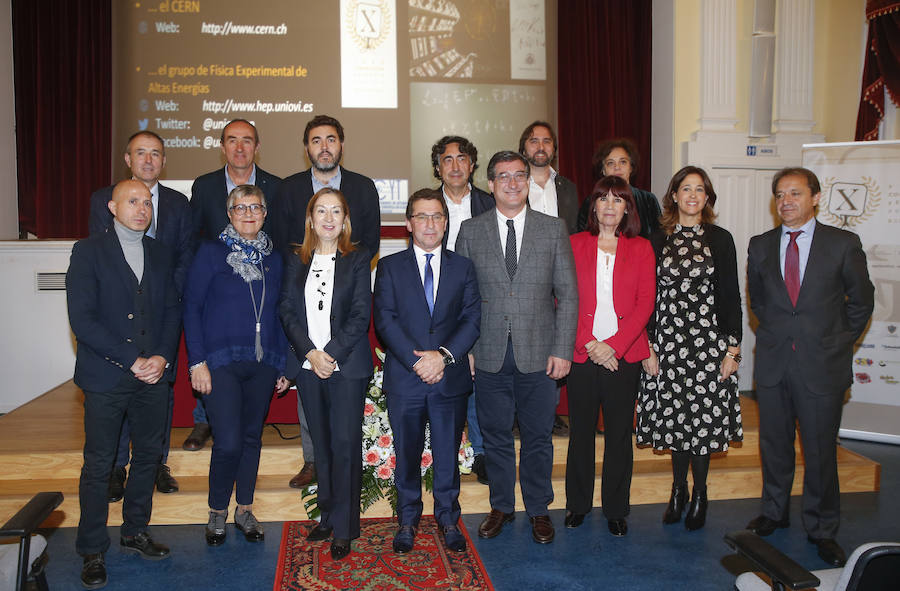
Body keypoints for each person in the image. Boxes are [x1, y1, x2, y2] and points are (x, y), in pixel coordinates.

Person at [745, 167, 874, 567]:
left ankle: (822, 528)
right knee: (775, 445)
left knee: (819, 452)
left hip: (822, 366)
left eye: (795, 193)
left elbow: (862, 301)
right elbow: (759, 302)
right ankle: (773, 511)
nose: (786, 201)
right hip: (774, 362)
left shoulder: (843, 244)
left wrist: (836, 342)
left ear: (815, 198)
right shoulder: (760, 244)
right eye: (780, 194)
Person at [455, 151, 577, 544]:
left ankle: (539, 509)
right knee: (495, 435)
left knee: (539, 436)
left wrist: (562, 348)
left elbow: (569, 294)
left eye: (519, 176)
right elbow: (462, 297)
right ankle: (502, 506)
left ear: (528, 181)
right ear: (489, 184)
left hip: (541, 353)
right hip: (488, 351)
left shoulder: (553, 228)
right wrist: (466, 348)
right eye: (503, 177)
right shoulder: (471, 231)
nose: (512, 183)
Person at [68, 180, 181, 589]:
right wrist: (132, 360)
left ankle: (135, 531)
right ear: (113, 207)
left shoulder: (161, 253)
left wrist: (163, 358)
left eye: (147, 202)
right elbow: (83, 320)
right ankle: (92, 549)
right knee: (99, 465)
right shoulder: (88, 251)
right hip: (106, 376)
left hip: (153, 377)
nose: (142, 208)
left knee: (148, 457)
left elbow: (172, 312)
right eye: (133, 201)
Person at [272, 114, 381, 488]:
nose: (324, 146)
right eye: (316, 140)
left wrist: (345, 279)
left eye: (331, 139)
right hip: (303, 295)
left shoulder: (363, 187)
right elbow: (284, 243)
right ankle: (313, 459)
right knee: (309, 381)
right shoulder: (288, 190)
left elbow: (372, 243)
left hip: (348, 294)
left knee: (340, 395)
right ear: (307, 148)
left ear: (341, 145)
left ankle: (340, 468)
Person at [636, 166, 743, 532]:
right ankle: (677, 491)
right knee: (676, 421)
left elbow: (731, 296)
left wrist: (733, 350)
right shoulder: (655, 239)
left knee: (702, 422)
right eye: (686, 188)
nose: (693, 195)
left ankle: (701, 494)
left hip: (708, 346)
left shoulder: (720, 239)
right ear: (674, 196)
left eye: (700, 189)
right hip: (666, 345)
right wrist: (646, 345)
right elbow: (646, 298)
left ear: (707, 197)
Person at [374, 189, 481, 555]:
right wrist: (418, 360)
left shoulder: (463, 267)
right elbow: (384, 320)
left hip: (449, 378)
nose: (430, 224)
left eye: (437, 216)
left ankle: (449, 518)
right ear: (408, 223)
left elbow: (471, 319)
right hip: (406, 378)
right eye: (421, 216)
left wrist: (444, 356)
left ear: (445, 222)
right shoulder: (389, 267)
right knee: (407, 453)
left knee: (448, 454)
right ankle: (407, 519)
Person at [183, 184, 290, 546]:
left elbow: (281, 313)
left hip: (262, 363)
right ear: (229, 214)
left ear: (264, 213)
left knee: (251, 439)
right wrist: (196, 361)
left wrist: (284, 366)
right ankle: (216, 511)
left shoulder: (275, 258)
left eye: (255, 207)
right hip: (219, 362)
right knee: (228, 442)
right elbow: (192, 308)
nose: (248, 213)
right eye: (240, 208)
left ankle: (244, 509)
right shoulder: (210, 252)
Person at [88, 130, 192, 500]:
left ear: (164, 162)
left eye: (156, 154)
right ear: (128, 159)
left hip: (163, 315)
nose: (148, 160)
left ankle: (156, 462)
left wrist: (167, 298)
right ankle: (117, 467)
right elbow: (100, 261)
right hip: (118, 324)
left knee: (158, 392)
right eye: (140, 153)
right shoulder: (103, 200)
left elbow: (183, 258)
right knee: (116, 396)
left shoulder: (180, 204)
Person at [278, 188, 373, 561]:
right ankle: (328, 515)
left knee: (345, 446)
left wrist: (329, 355)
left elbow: (360, 315)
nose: (329, 218)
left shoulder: (358, 257)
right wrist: (310, 354)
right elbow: (286, 310)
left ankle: (346, 527)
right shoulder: (295, 260)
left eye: (336, 211)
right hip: (308, 367)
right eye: (322, 211)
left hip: (346, 368)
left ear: (345, 220)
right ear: (311, 218)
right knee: (322, 446)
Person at [183, 118, 282, 454]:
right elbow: (195, 237)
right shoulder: (205, 185)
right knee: (215, 361)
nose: (240, 147)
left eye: (247, 140)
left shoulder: (275, 185)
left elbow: (278, 240)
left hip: (259, 288)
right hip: (216, 287)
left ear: (257, 146)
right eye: (232, 140)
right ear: (222, 146)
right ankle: (204, 420)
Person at [565, 176, 655, 537]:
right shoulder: (573, 244)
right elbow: (563, 299)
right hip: (583, 354)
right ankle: (578, 505)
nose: (609, 206)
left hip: (624, 355)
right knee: (581, 434)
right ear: (593, 206)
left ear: (627, 208)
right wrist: (591, 344)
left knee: (619, 435)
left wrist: (613, 346)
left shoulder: (642, 248)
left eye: (618, 200)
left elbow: (644, 304)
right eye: (602, 198)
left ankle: (616, 508)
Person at [431, 135, 494, 484]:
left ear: (472, 164)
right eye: (447, 159)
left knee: (478, 379)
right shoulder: (426, 204)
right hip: (437, 305)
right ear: (438, 167)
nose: (455, 166)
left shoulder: (490, 203)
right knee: (446, 379)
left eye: (462, 158)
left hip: (481, 303)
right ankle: (446, 454)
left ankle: (481, 452)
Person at [576, 139, 661, 239]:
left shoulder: (648, 200)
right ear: (603, 170)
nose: (617, 167)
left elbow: (658, 239)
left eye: (623, 162)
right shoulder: (590, 202)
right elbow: (583, 238)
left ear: (631, 167)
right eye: (610, 163)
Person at [518, 121, 578, 234]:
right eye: (534, 141)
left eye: (546, 141)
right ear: (523, 150)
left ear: (554, 149)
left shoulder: (569, 188)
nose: (541, 147)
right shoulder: (514, 187)